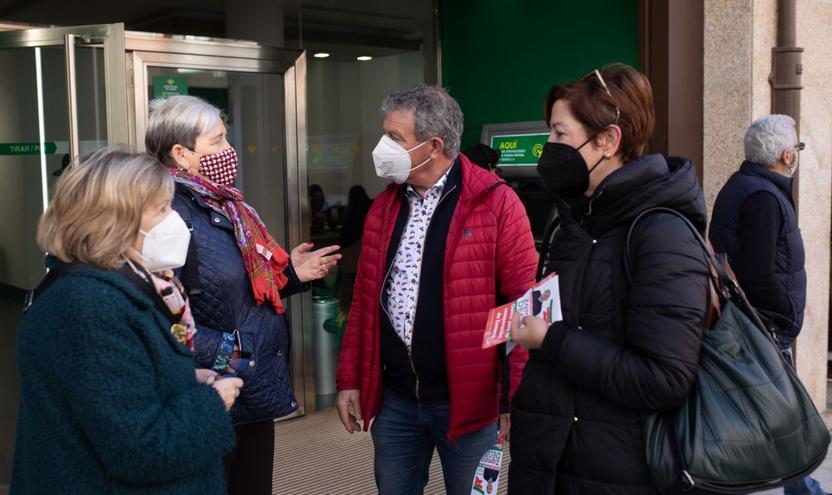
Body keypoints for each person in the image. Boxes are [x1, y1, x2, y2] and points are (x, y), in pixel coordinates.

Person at [507, 64, 709, 495]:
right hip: (552, 459)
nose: (549, 147)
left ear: (608, 140)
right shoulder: (574, 220)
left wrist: (552, 340)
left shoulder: (662, 233)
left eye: (560, 134)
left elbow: (663, 378)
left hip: (616, 470)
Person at [335, 84, 538, 495]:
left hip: (473, 409)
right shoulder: (384, 206)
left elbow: (526, 307)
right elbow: (363, 303)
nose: (381, 148)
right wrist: (350, 379)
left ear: (434, 145)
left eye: (394, 139)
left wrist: (514, 399)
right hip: (397, 402)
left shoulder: (497, 203)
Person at [11, 148, 243, 494]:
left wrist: (179, 377)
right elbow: (141, 449)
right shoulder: (90, 307)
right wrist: (213, 402)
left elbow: (107, 390)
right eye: (162, 209)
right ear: (116, 219)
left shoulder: (95, 287)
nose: (173, 219)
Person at [145, 95, 341, 495]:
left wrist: (291, 275)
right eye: (216, 141)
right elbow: (162, 317)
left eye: (226, 138)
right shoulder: (166, 217)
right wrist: (236, 357)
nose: (229, 151)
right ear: (181, 153)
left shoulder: (227, 206)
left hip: (250, 389)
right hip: (209, 393)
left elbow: (238, 289)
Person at [709, 115, 825, 495]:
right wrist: (785, 314)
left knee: (776, 410)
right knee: (784, 411)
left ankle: (799, 487)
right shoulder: (764, 197)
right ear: (788, 155)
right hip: (765, 324)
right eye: (798, 149)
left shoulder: (746, 187)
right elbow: (759, 273)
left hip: (753, 320)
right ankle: (801, 488)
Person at [336, 185, 373, 315]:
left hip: (349, 257)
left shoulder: (350, 213)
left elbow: (343, 236)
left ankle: (344, 312)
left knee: (347, 287)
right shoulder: (372, 209)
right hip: (365, 256)